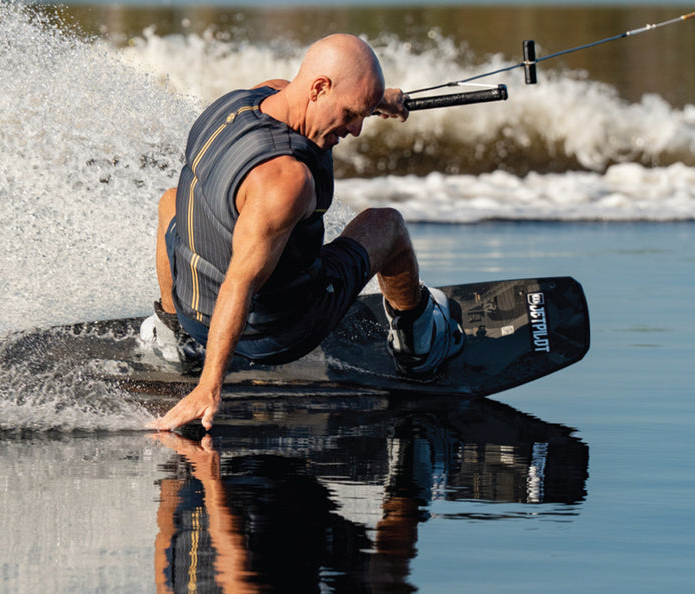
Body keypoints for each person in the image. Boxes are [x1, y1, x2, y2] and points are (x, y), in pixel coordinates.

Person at [141, 34, 461, 433]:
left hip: (193, 310)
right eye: (350, 114)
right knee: (387, 225)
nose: (357, 129)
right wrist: (209, 386)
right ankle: (419, 343)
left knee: (173, 202)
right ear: (319, 88)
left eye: (362, 114)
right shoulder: (285, 182)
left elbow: (295, 90)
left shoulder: (236, 103)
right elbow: (239, 283)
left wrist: (377, 100)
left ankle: (175, 337)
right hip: (274, 332)